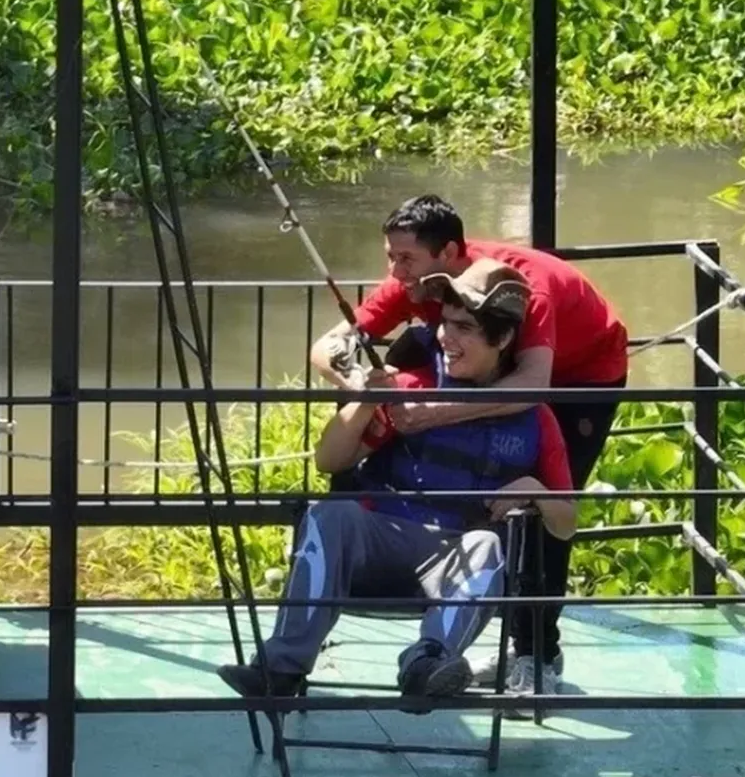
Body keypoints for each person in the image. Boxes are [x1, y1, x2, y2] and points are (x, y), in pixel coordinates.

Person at [219, 260, 577, 710]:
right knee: (328, 512)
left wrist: (536, 489)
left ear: (503, 339)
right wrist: (364, 403)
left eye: (464, 327)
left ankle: (427, 666)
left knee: (489, 545)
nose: (447, 338)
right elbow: (329, 460)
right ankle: (280, 670)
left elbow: (566, 525)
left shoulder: (536, 420)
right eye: (445, 323)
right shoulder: (410, 386)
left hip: (454, 558)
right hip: (377, 542)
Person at [309, 194, 628, 696]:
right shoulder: (418, 277)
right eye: (390, 257)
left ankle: (536, 654)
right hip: (502, 370)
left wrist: (431, 412)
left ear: (449, 252)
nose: (395, 271)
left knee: (540, 512)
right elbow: (330, 344)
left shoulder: (525, 288)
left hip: (575, 377)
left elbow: (534, 385)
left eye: (405, 259)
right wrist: (362, 392)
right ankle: (445, 603)